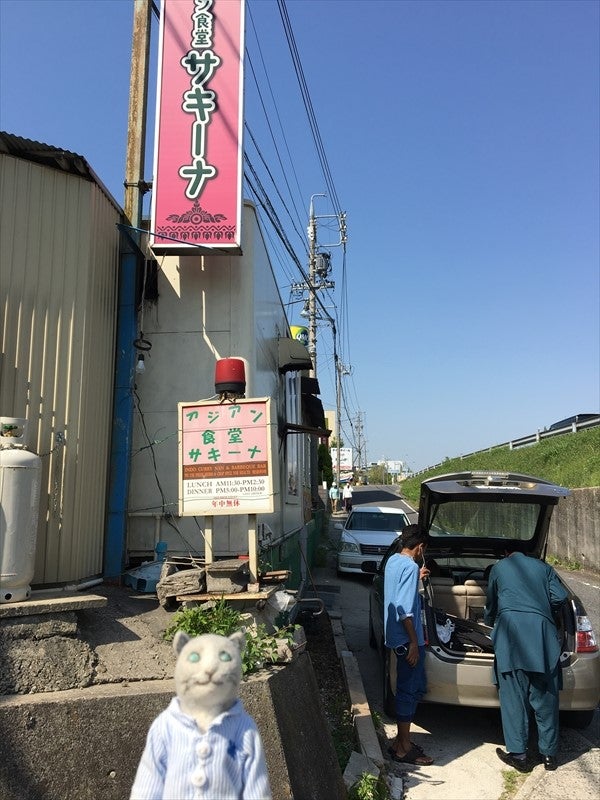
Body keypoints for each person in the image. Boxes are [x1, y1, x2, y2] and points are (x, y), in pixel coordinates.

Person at [484, 547, 568, 773]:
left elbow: (491, 601)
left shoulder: (499, 568)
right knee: (546, 699)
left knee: (514, 698)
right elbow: (560, 596)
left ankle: (519, 756)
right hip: (542, 638)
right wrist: (543, 612)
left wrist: (490, 620)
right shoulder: (544, 568)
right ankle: (549, 756)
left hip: (510, 638)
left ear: (507, 554)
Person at [384, 524, 434, 766]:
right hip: (407, 640)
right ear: (420, 547)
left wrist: (416, 578)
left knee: (408, 689)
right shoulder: (410, 566)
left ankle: (399, 743)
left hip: (395, 638)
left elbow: (397, 592)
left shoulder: (393, 561)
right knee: (408, 692)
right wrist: (415, 642)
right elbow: (404, 611)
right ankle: (404, 747)